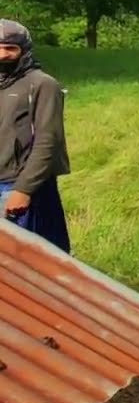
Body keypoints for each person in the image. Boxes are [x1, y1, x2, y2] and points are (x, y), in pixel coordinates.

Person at [0, 19, 72, 253]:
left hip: (19, 185)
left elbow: (47, 142)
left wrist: (23, 190)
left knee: (30, 260)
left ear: (24, 50)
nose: (3, 54)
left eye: (11, 48)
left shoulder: (42, 84)